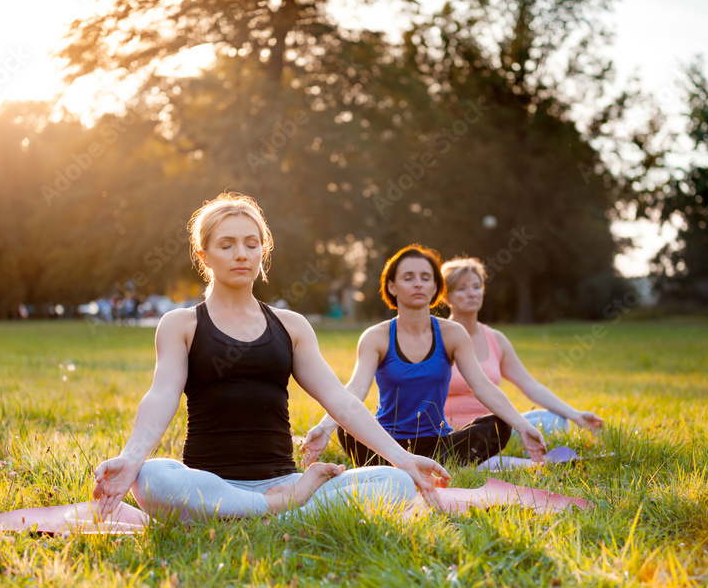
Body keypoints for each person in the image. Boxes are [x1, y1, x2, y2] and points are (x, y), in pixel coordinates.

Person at [91, 194, 450, 523]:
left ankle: (248, 514)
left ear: (263, 250)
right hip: (210, 483)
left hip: (283, 479)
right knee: (152, 477)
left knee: (395, 481)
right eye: (226, 245)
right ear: (204, 256)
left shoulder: (290, 326)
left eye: (251, 243)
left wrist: (402, 459)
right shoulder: (180, 324)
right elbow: (162, 395)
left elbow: (341, 401)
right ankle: (280, 511)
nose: (242, 254)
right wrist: (131, 458)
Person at [300, 245, 549, 470]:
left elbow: (482, 386)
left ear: (435, 288)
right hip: (386, 442)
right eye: (408, 278)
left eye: (425, 278)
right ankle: (404, 464)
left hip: (439, 444)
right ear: (392, 287)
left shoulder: (453, 334)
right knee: (349, 427)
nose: (418, 284)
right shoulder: (376, 337)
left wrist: (523, 426)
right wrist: (325, 426)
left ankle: (416, 466)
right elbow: (355, 389)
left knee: (497, 425)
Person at [440, 257, 604, 437]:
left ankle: (524, 445)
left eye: (476, 287)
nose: (471, 293)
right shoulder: (438, 338)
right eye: (462, 289)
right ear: (446, 297)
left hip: (493, 432)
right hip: (450, 434)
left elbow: (530, 385)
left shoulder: (496, 339)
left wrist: (575, 414)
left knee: (557, 421)